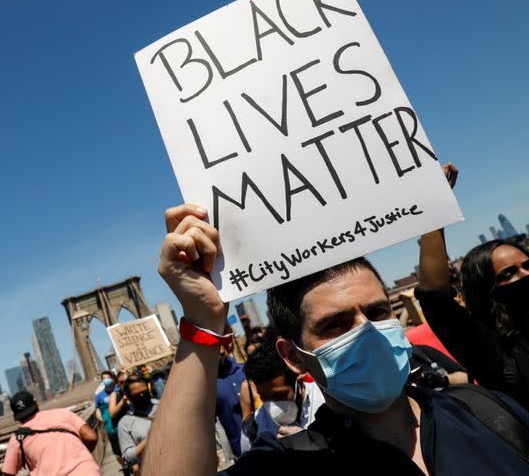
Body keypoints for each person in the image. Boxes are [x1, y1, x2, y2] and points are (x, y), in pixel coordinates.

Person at [143, 203, 529, 475]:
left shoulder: (486, 411)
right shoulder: (286, 462)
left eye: (378, 312)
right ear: (294, 357)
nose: (367, 330)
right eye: (335, 324)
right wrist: (200, 324)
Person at [417, 163, 529, 408]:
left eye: (527, 266)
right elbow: (434, 298)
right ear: (486, 290)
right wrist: (435, 201)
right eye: (509, 273)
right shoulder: (491, 348)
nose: (524, 275)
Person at [243, 336, 325, 438]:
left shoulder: (326, 400)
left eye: (279, 396)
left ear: (298, 381)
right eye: (263, 397)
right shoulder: (258, 423)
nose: (272, 406)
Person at [2, 391, 100, 476]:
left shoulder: (18, 438)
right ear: (36, 405)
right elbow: (91, 437)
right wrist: (81, 456)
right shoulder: (63, 414)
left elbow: (7, 473)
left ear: (17, 417)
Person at [117, 373, 158, 471]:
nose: (142, 396)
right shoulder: (125, 423)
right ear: (128, 396)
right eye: (137, 395)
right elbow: (128, 457)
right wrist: (150, 438)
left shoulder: (165, 404)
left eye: (144, 392)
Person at [216, 341, 246, 456]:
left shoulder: (245, 371)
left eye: (222, 354)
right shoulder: (211, 387)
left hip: (266, 436)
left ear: (228, 351)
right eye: (215, 356)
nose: (219, 358)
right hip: (241, 448)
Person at [95, 370, 125, 458]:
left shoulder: (119, 389)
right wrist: (106, 420)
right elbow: (98, 411)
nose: (106, 380)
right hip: (112, 428)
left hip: (123, 424)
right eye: (104, 378)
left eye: (108, 378)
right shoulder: (99, 395)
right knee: (118, 453)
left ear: (113, 378)